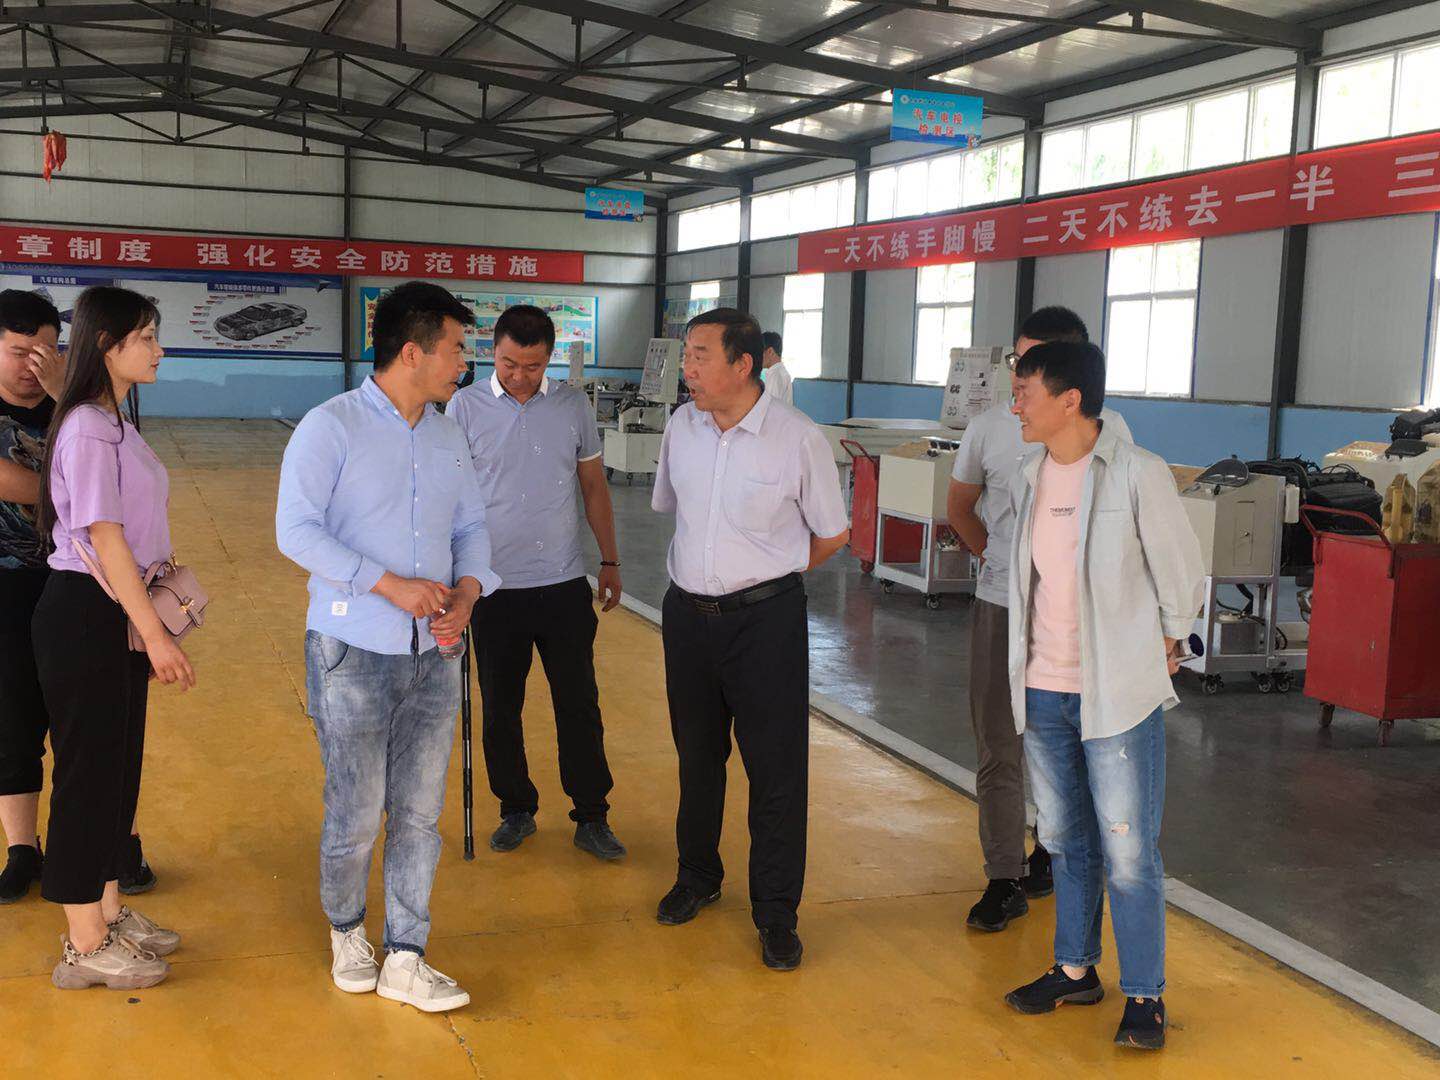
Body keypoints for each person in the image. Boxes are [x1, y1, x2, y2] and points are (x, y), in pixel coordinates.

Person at [277, 280, 501, 1015]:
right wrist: (388, 585)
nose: (464, 363)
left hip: (435, 654)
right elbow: (296, 531)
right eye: (457, 348)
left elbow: (471, 527)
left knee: (419, 813)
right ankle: (347, 931)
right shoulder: (331, 426)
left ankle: (407, 952)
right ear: (412, 352)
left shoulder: (446, 434)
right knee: (355, 807)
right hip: (352, 649)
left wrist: (467, 593)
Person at [1000, 340, 1202, 1051]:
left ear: (1070, 400)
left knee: (1128, 850)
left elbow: (1179, 568)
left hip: (1115, 693)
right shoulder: (1029, 475)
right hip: (1044, 688)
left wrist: (1172, 638)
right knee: (1064, 841)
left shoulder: (1137, 473)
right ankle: (1075, 969)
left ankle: (1144, 993)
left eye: (1024, 393)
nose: (1015, 406)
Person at [651, 308, 848, 972]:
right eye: (687, 355)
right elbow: (675, 509)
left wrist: (770, 575)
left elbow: (832, 533)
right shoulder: (682, 427)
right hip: (687, 616)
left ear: (745, 364)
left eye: (701, 356)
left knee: (776, 770)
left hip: (766, 623)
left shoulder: (797, 438)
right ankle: (697, 876)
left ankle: (776, 913)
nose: (688, 368)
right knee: (697, 756)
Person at [946, 306, 1133, 933]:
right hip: (1002, 607)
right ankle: (1004, 877)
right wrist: (997, 563)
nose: (1019, 377)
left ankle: (1055, 856)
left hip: (1078, 619)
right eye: (1016, 360)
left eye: (1033, 363)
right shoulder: (989, 429)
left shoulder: (1113, 433)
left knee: (1070, 746)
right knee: (998, 744)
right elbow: (961, 507)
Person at [32, 286, 191, 990]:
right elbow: (105, 537)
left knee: (115, 771)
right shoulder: (90, 429)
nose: (158, 349)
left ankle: (108, 908)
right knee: (88, 776)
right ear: (108, 345)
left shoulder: (111, 420)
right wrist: (154, 633)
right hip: (87, 613)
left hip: (113, 611)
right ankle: (84, 944)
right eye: (146, 337)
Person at [447, 305, 625, 860]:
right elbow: (450, 495)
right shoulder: (463, 407)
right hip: (492, 586)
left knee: (579, 703)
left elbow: (593, 487)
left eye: (532, 366)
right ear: (491, 352)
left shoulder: (573, 406)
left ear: (549, 358)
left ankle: (591, 814)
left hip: (563, 583)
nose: (520, 376)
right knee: (501, 707)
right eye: (508, 364)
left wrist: (610, 560)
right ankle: (516, 808)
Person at [0, 291, 65, 904]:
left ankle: (107, 841)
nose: (32, 365)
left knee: (87, 720)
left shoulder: (80, 408)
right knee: (12, 720)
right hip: (6, 589)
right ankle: (22, 849)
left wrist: (68, 395)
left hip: (76, 584)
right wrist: (74, 488)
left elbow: (122, 475)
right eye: (20, 351)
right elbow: (12, 482)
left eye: (45, 352)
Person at [760, 331, 793, 406]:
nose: (758, 357)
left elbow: (770, 407)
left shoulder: (775, 376)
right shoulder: (780, 372)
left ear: (770, 351)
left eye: (760, 352)